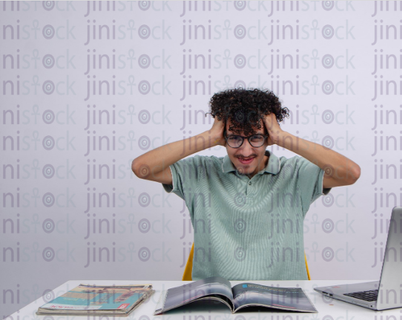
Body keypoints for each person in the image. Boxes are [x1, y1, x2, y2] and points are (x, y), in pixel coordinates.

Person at [132, 88, 360, 280]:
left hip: (284, 308)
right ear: (223, 138)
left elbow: (350, 173)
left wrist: (282, 136)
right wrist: (209, 136)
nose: (245, 151)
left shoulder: (295, 174)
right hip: (215, 305)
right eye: (235, 138)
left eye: (255, 138)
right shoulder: (201, 172)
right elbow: (141, 167)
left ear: (269, 137)